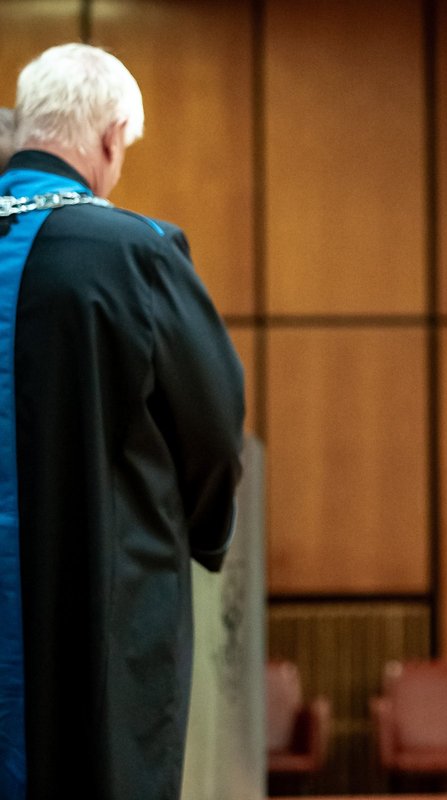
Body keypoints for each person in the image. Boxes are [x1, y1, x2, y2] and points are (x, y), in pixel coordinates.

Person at [0, 44, 244, 799]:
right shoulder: (136, 251)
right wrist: (203, 534)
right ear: (110, 139)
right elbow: (213, 429)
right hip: (97, 602)